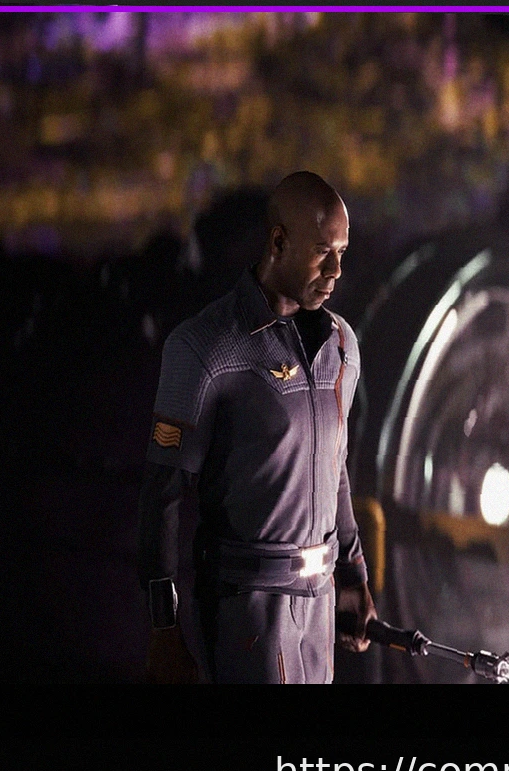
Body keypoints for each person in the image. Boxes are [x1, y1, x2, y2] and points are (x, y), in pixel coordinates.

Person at [138, 171, 376, 683]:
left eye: (341, 252)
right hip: (245, 610)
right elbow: (164, 492)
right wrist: (164, 627)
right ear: (278, 242)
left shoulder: (342, 346)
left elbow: (333, 466)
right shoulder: (206, 347)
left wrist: (353, 573)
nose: (336, 270)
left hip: (320, 605)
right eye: (322, 252)